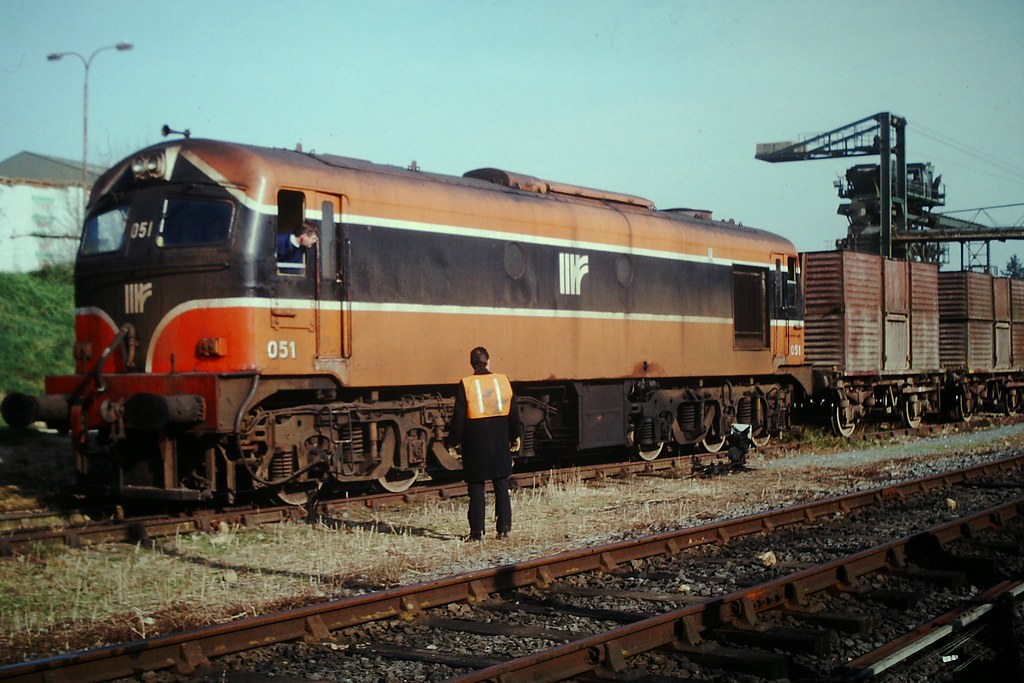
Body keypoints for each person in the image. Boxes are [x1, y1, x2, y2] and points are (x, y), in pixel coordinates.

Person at [445, 346, 522, 541]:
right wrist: (515, 436)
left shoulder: (466, 384)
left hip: (475, 444)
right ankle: (503, 529)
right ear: (488, 362)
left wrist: (453, 443)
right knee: (501, 486)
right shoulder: (502, 381)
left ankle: (477, 533)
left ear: (472, 364)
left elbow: (459, 417)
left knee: (477, 488)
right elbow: (513, 412)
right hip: (499, 441)